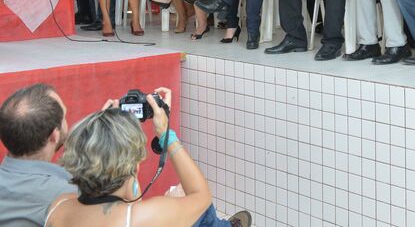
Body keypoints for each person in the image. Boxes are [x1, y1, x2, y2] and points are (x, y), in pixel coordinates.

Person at [0, 83, 250, 227]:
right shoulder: (141, 216)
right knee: (198, 212)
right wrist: (166, 135)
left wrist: (103, 129)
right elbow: (200, 196)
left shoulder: (59, 206)